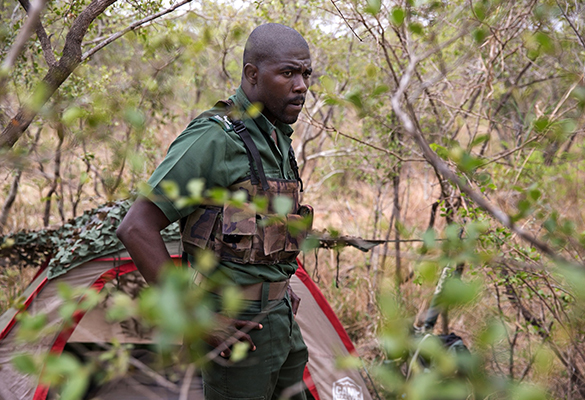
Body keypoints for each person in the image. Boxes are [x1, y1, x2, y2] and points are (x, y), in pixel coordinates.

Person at [116, 23, 313, 400]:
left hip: (282, 320)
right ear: (252, 75)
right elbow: (136, 227)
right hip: (237, 327)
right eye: (288, 73)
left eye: (305, 74)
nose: (301, 85)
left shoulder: (276, 137)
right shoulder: (215, 137)